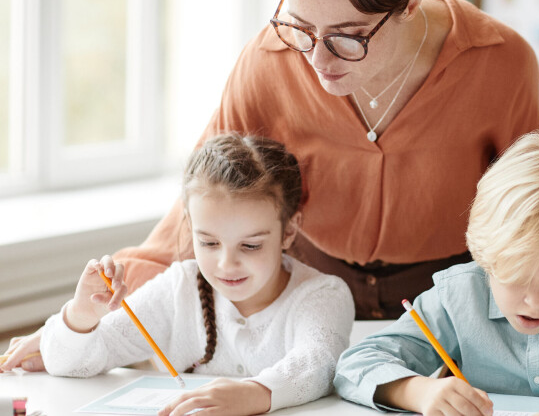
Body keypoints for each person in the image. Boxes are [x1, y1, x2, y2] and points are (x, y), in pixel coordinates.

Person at [1, 0, 539, 371]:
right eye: (301, 26)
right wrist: (79, 322)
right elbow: (201, 198)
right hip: (301, 295)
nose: (317, 57)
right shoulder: (268, 58)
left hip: (444, 300)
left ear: (408, 3)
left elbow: (531, 212)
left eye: (348, 36)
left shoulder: (500, 61)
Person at [335, 133, 539, 416]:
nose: (535, 301)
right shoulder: (459, 294)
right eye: (517, 276)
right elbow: (356, 365)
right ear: (487, 256)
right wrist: (418, 392)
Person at [25, 134, 354, 415]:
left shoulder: (323, 295)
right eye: (208, 242)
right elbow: (72, 365)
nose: (226, 264)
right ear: (190, 227)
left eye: (251, 246)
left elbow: (319, 364)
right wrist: (82, 315)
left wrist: (256, 393)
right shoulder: (178, 287)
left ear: (288, 231)